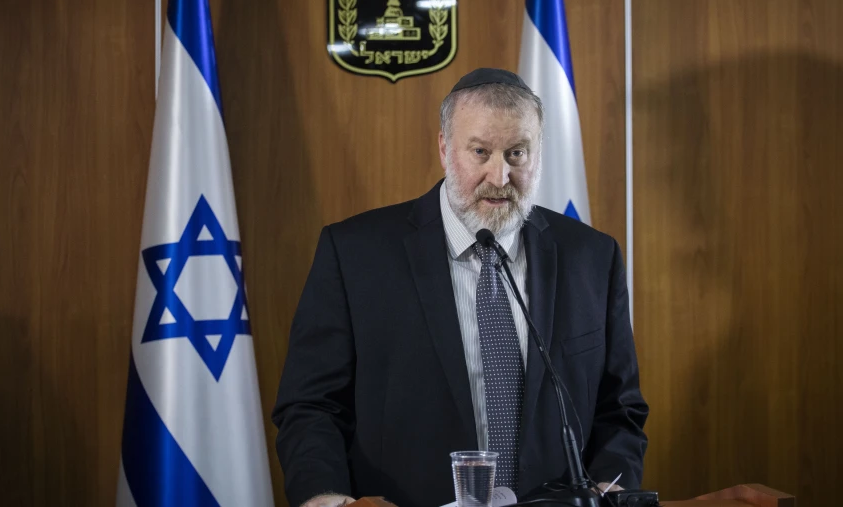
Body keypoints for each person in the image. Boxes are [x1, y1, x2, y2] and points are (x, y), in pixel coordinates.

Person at [272, 68, 648, 507]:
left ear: (538, 154)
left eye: (516, 153)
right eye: (480, 152)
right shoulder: (356, 254)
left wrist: (608, 490)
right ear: (445, 149)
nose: (499, 176)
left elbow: (619, 408)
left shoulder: (592, 257)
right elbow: (311, 406)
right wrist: (332, 502)